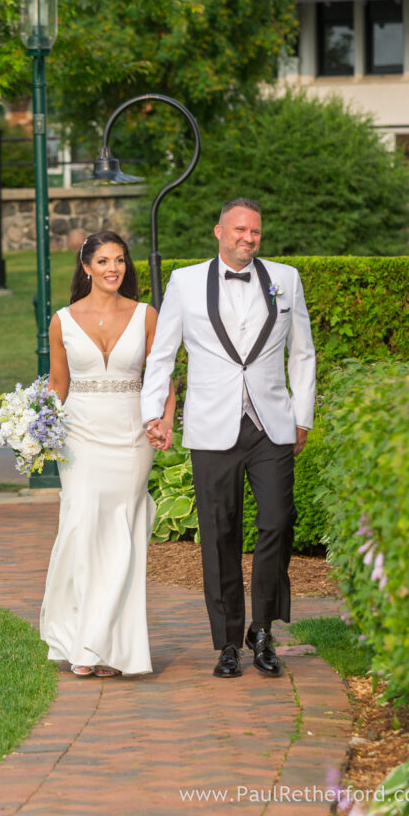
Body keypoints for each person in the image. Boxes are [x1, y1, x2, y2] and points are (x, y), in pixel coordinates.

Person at [141, 198, 315, 679]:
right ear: (218, 231)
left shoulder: (287, 279)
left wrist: (303, 416)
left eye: (255, 232)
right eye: (239, 230)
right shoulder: (185, 281)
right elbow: (162, 354)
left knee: (278, 522)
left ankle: (262, 629)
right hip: (211, 426)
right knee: (219, 534)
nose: (248, 238)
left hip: (271, 425)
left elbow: (303, 353)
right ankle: (226, 642)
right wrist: (152, 411)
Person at [40, 230, 174, 678]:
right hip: (78, 434)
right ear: (86, 267)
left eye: (119, 260)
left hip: (131, 436)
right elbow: (58, 386)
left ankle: (112, 647)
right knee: (80, 527)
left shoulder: (146, 315)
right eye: (102, 261)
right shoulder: (62, 319)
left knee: (121, 535)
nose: (112, 268)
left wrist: (165, 418)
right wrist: (30, 429)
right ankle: (80, 640)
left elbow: (163, 377)